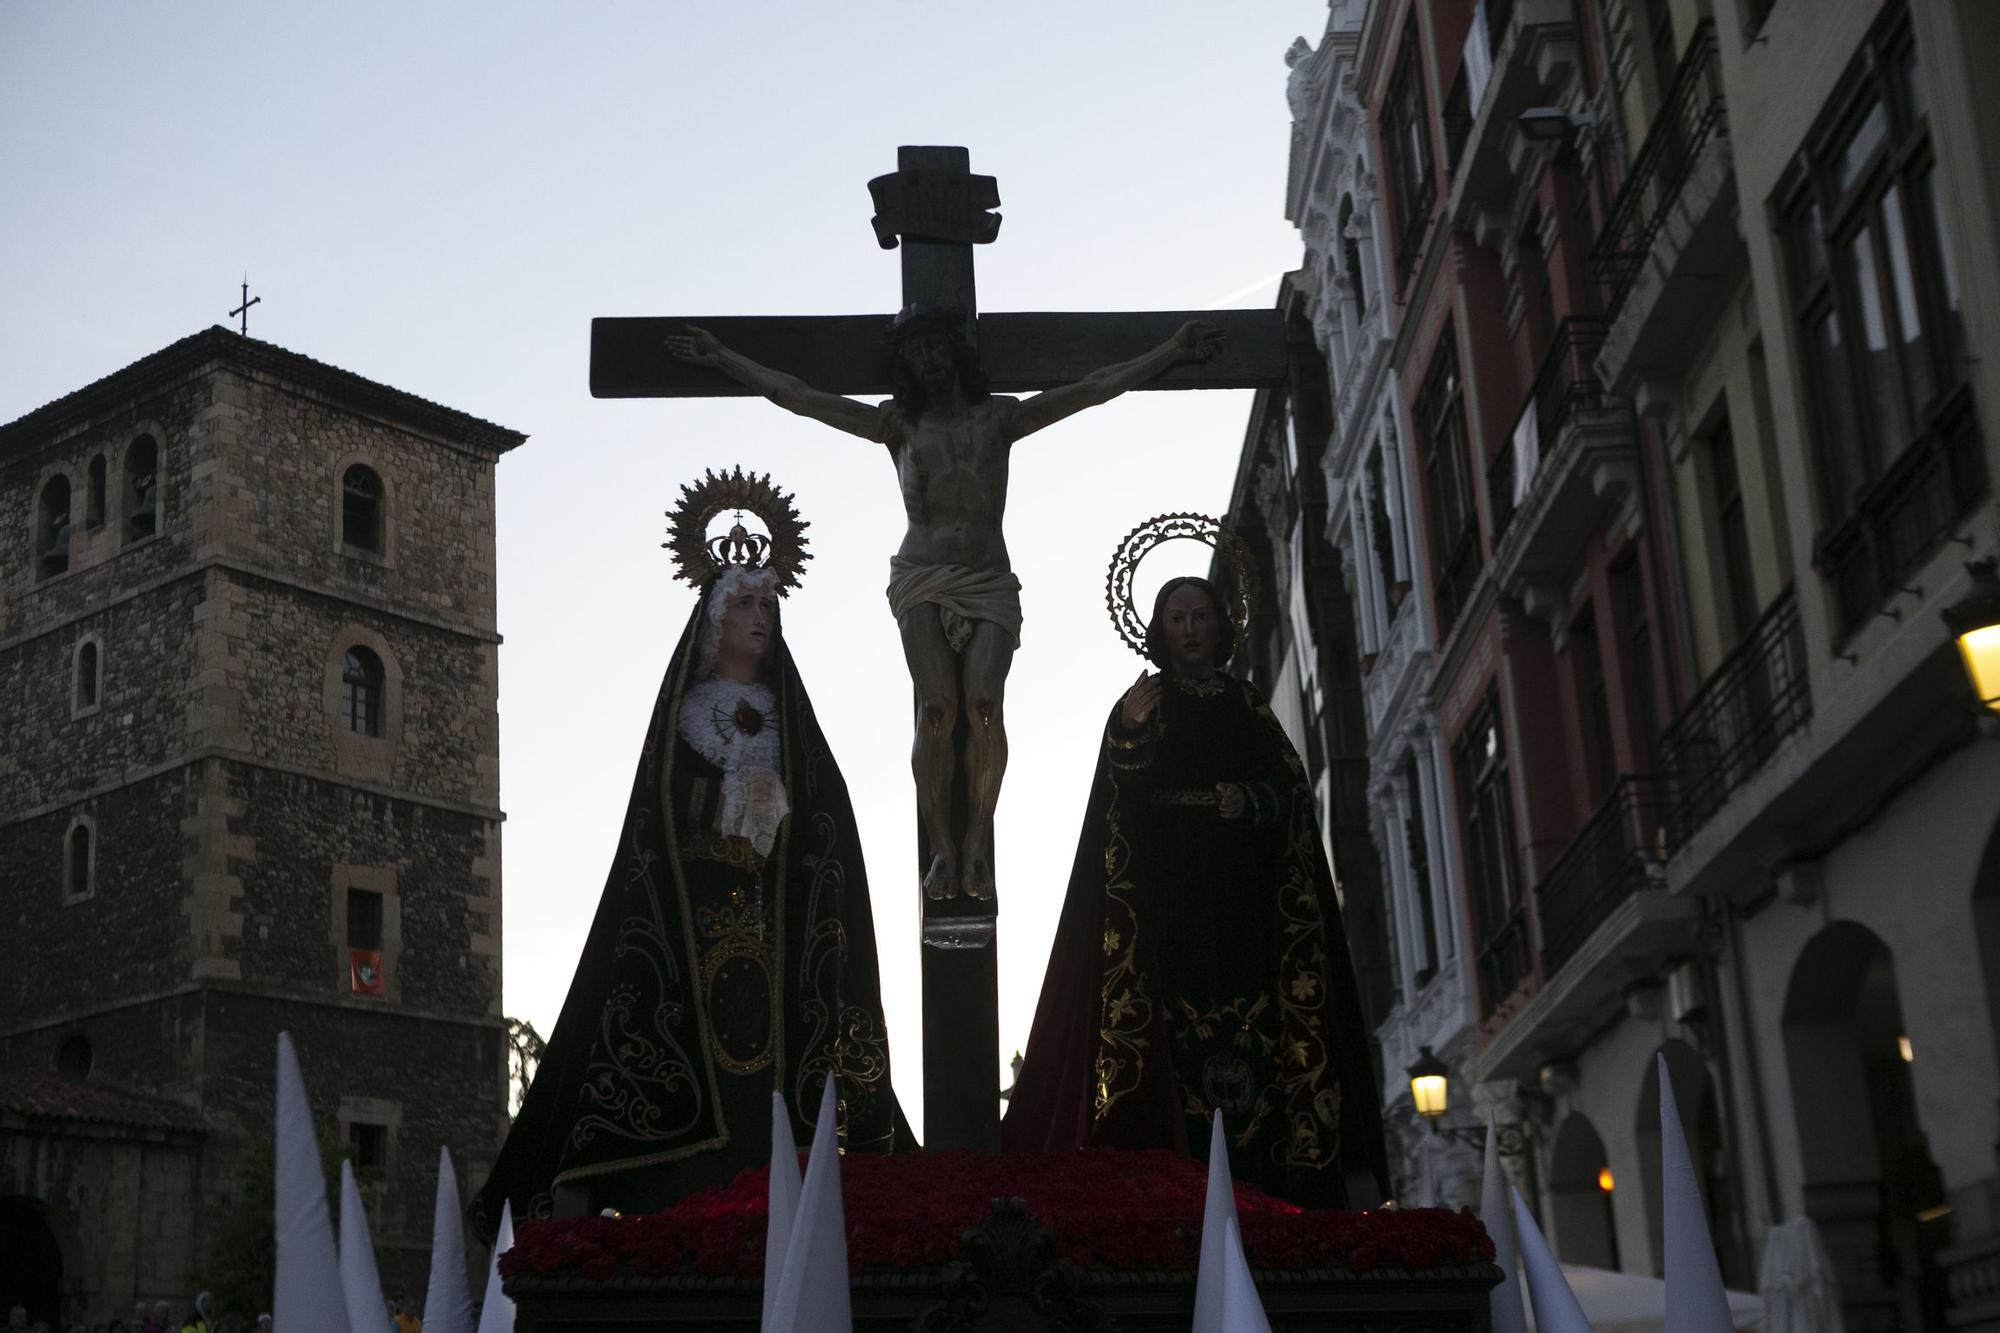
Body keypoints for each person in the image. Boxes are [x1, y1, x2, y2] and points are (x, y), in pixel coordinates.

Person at [471, 475, 910, 1233]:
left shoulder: (790, 723)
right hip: (692, 933)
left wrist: (792, 814)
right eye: (744, 604)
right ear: (712, 622)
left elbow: (829, 822)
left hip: (779, 944)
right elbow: (657, 819)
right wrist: (723, 807)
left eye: (768, 604)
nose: (760, 618)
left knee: (775, 1083)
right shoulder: (686, 717)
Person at [666, 312, 1222, 902]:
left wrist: (1171, 350)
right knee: (937, 708)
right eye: (915, 353)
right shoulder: (898, 427)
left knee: (983, 706)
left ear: (954, 352)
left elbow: (1094, 388)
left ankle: (977, 841)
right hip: (923, 577)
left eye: (936, 347)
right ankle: (941, 850)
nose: (928, 360)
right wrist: (723, 358)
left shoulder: (999, 417)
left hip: (987, 579)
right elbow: (799, 396)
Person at [1003, 576, 1390, 1208]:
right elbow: (1119, 786)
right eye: (1177, 617)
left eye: (1201, 615)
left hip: (1242, 890)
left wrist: (1249, 799)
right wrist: (1128, 729)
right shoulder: (1143, 701)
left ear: (1220, 625)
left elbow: (1287, 791)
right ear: (1159, 628)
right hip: (1168, 888)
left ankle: (1265, 1177)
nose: (1190, 628)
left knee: (1256, 1016)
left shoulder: (1248, 706)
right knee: (1176, 1025)